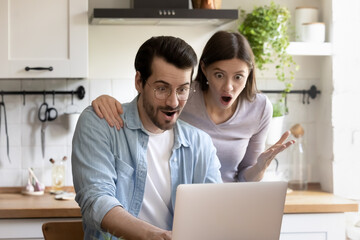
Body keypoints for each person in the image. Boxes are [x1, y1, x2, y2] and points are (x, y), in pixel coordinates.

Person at [72, 36, 224, 240]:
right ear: (139, 82)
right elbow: (96, 201)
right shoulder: (100, 123)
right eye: (161, 88)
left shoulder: (200, 144)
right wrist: (154, 236)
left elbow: (216, 212)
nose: (173, 102)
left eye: (182, 89)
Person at [92, 30, 295, 183]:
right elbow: (145, 108)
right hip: (179, 199)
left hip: (229, 202)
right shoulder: (183, 95)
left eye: (238, 77)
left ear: (249, 73)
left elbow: (245, 177)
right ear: (204, 69)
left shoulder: (259, 108)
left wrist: (260, 166)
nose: (228, 87)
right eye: (219, 75)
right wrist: (106, 101)